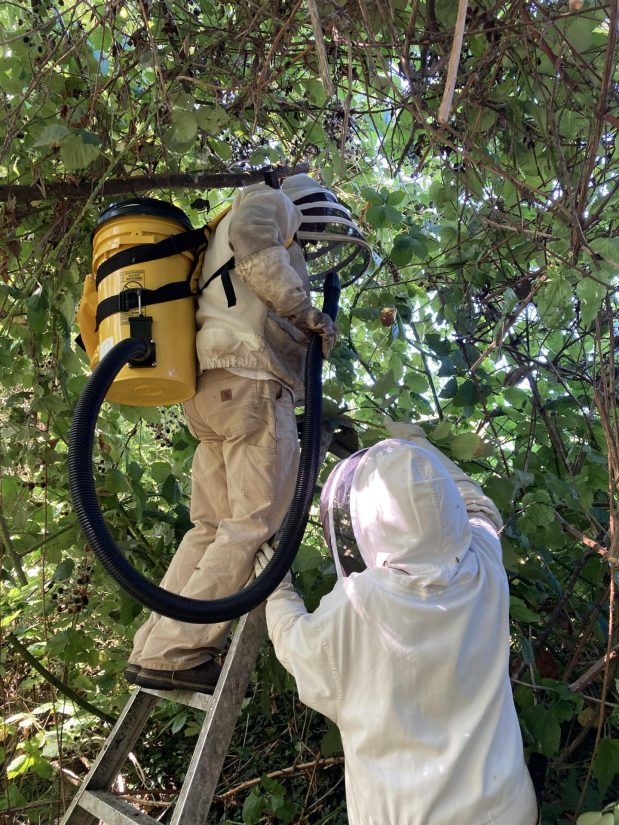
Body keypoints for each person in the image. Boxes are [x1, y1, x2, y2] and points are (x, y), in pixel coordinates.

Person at [255, 424, 539, 825]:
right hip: (508, 808)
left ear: (372, 521)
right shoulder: (484, 562)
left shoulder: (361, 604)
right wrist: (422, 447)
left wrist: (276, 589)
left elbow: (297, 645)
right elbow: (479, 507)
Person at [126, 174, 338, 692]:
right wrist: (306, 309)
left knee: (210, 526)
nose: (307, 248)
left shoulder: (220, 227)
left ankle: (154, 646)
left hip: (212, 387)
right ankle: (178, 651)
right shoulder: (271, 203)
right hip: (250, 381)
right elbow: (257, 241)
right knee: (252, 525)